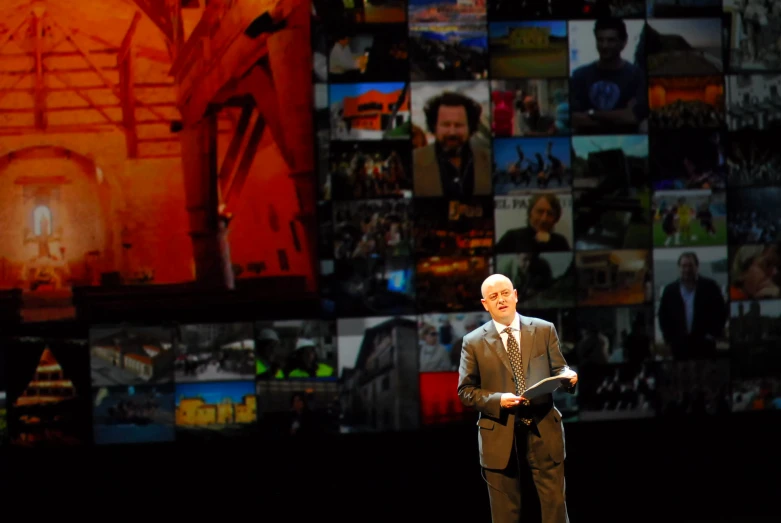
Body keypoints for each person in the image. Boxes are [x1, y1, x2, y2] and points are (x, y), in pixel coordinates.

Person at [458, 274, 578, 523]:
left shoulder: (544, 330)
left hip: (543, 427)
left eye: (504, 293)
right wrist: (498, 400)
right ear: (485, 304)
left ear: (515, 295)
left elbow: (560, 370)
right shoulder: (473, 342)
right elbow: (466, 391)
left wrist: (569, 377)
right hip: (499, 432)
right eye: (493, 296)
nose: (500, 299)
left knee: (555, 510)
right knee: (505, 515)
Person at [570, 18, 647, 134]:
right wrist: (619, 116)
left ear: (624, 42)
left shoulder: (637, 75)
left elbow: (633, 117)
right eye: (600, 40)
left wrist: (592, 113)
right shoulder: (580, 75)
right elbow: (575, 119)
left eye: (611, 40)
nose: (604, 45)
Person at [413, 91, 492, 197]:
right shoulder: (414, 161)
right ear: (434, 127)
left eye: (459, 125)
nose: (452, 132)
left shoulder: (490, 160)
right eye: (446, 125)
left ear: (470, 127)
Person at [657, 251, 727, 360]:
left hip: (704, 345)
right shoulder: (670, 290)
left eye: (690, 265)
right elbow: (663, 316)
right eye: (684, 266)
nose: (687, 269)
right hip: (679, 346)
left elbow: (721, 311)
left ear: (697, 267)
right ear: (679, 267)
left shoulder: (710, 286)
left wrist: (712, 334)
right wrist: (669, 338)